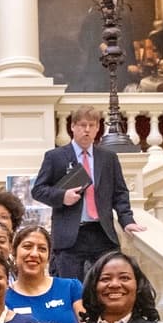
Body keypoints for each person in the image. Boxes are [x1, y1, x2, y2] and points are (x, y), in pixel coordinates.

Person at [31, 106, 144, 281]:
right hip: (71, 236)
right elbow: (38, 190)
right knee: (72, 290)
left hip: (102, 233)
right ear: (72, 127)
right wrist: (62, 197)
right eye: (82, 125)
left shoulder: (108, 158)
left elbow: (120, 193)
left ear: (98, 128)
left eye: (92, 125)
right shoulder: (56, 157)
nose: (87, 130)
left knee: (106, 285)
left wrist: (127, 220)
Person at [5, 226, 84, 323]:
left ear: (48, 257)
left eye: (42, 249)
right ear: (14, 252)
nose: (34, 254)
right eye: (27, 247)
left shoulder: (71, 288)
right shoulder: (4, 297)